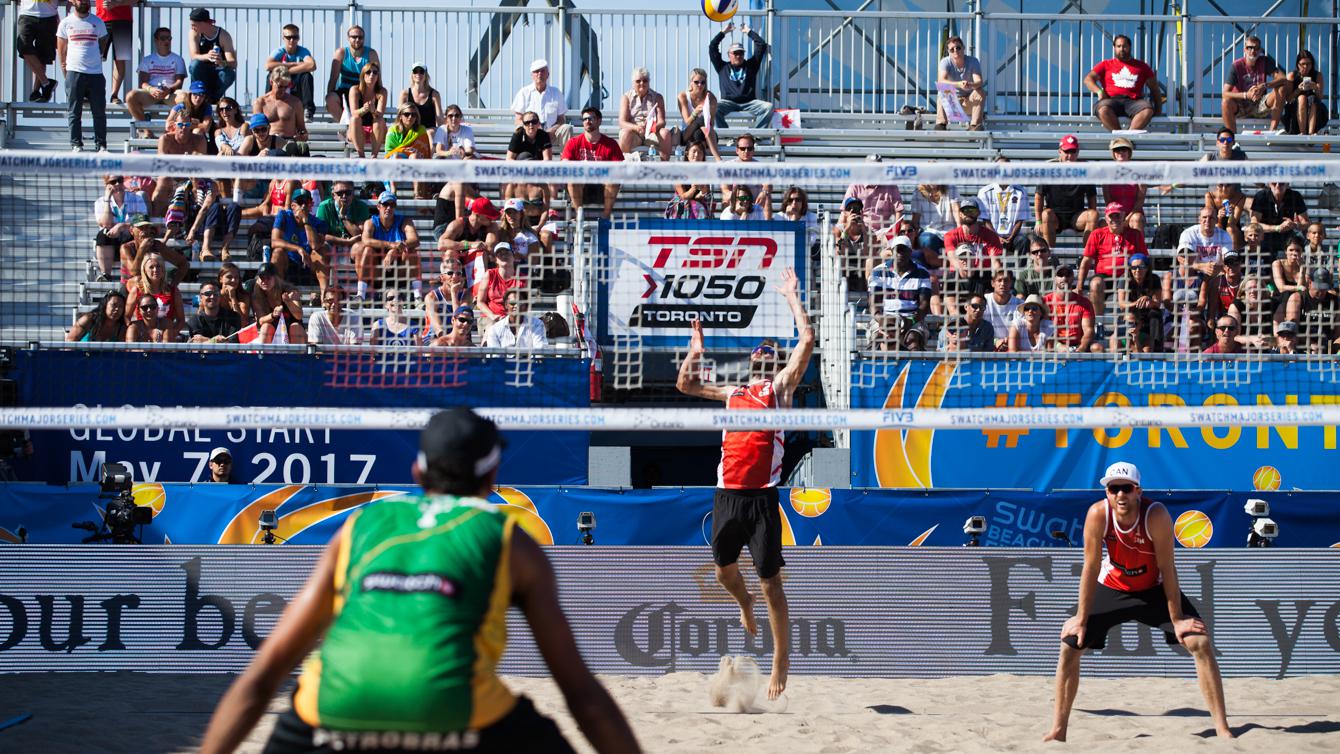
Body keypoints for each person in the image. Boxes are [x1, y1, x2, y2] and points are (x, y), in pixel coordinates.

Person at [201, 407, 640, 753]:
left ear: (417, 474)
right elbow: (581, 694)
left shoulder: (360, 526)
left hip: (330, 712)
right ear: (492, 478)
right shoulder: (512, 541)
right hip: (454, 712)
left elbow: (264, 674)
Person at [676, 267, 811, 701]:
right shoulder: (734, 391)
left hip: (761, 499)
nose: (763, 359)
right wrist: (696, 348)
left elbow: (806, 343)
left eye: (769, 355)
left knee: (771, 581)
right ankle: (743, 603)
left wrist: (792, 297)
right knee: (722, 571)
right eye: (759, 354)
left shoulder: (780, 389)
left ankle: (780, 659)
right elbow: (684, 383)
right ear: (751, 360)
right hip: (727, 495)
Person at [1043, 461, 1233, 742]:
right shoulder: (1098, 514)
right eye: (1113, 488)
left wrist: (1178, 618)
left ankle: (1222, 728)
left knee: (1200, 643)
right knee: (1070, 647)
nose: (1120, 494)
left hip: (1153, 589)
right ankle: (1058, 730)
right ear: (1107, 493)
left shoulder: (1155, 515)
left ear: (1138, 491)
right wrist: (1082, 618)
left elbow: (1168, 568)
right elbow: (1091, 567)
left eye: (1126, 488)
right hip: (1112, 588)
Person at [57, 0, 108, 153]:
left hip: (95, 73)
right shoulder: (66, 23)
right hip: (74, 72)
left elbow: (103, 41)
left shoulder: (97, 22)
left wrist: (97, 56)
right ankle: (76, 144)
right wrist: (65, 72)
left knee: (99, 112)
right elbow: (61, 50)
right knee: (74, 111)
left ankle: (101, 144)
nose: (83, 1)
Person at [1079, 203, 1147, 317]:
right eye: (1112, 216)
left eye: (1118, 216)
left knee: (1127, 281)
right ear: (1106, 218)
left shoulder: (1135, 234)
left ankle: (1128, 324)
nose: (1115, 219)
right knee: (1095, 284)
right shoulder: (1097, 234)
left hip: (1129, 276)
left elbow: (1144, 259)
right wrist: (1079, 286)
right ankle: (1098, 324)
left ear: (1124, 216)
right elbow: (1086, 261)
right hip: (1105, 276)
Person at [1084, 34, 1162, 131]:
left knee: (1147, 110)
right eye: (1118, 46)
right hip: (1111, 100)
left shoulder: (1142, 66)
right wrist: (1099, 91)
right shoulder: (1105, 64)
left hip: (1134, 102)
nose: (1121, 49)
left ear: (1130, 47)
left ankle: (1127, 137)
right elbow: (1088, 79)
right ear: (1114, 48)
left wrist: (1158, 110)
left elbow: (1154, 87)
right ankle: (1120, 137)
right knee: (1103, 109)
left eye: (1124, 46)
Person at [561, 107, 624, 219]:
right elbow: (565, 164)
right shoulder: (573, 142)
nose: (587, 121)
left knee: (613, 180)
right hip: (581, 188)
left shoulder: (611, 144)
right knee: (572, 180)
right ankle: (579, 216)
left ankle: (606, 217)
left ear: (599, 121)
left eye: (591, 118)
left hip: (602, 190)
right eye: (584, 119)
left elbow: (619, 169)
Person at [1036, 135, 1098, 246]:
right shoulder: (1049, 168)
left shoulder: (1085, 169)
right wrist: (1038, 221)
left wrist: (1092, 221)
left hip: (1077, 216)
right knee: (1046, 214)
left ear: (1078, 152)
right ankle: (1050, 256)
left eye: (1073, 151)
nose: (1070, 155)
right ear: (1060, 151)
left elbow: (1091, 197)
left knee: (1093, 215)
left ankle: (1086, 256)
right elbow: (1038, 195)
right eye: (1067, 151)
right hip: (1055, 217)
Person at [360, 191, 423, 298]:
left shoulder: (404, 221)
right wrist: (392, 245)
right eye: (385, 204)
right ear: (378, 206)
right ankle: (360, 295)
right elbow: (365, 240)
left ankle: (418, 297)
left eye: (392, 205)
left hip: (399, 272)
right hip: (378, 271)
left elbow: (415, 240)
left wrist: (394, 251)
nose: (389, 207)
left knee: (412, 252)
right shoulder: (370, 222)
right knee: (367, 251)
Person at [708, 23, 772, 128]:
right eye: (735, 53)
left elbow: (761, 44)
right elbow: (712, 47)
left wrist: (748, 31)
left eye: (741, 53)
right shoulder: (722, 67)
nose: (738, 56)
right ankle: (725, 135)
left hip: (750, 102)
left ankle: (757, 135)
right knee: (713, 107)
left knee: (768, 107)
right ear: (729, 54)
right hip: (728, 102)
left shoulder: (751, 65)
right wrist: (723, 32)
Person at [125, 27, 186, 135]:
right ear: (156, 40)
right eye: (163, 38)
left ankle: (169, 132)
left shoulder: (178, 59)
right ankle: (147, 131)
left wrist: (169, 90)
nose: (166, 41)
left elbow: (179, 81)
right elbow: (142, 83)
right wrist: (151, 89)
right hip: (151, 93)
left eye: (169, 38)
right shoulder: (147, 59)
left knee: (185, 98)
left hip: (170, 92)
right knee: (130, 96)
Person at [1222, 35, 1288, 133]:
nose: (1253, 51)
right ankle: (1232, 139)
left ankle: (1272, 132)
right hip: (1241, 105)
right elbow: (1225, 93)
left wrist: (1265, 85)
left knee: (1282, 88)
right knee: (1225, 103)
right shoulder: (1236, 66)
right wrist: (1246, 95)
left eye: (1256, 48)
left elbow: (1283, 77)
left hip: (1260, 104)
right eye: (1250, 48)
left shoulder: (1264, 61)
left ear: (1260, 50)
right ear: (1245, 49)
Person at [270, 188, 329, 290]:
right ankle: (277, 295)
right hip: (289, 264)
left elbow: (314, 245)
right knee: (277, 252)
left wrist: (306, 221)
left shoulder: (319, 222)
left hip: (309, 265)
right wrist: (298, 249)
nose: (303, 206)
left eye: (307, 203)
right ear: (293, 206)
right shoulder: (284, 215)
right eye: (300, 202)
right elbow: (274, 242)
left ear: (311, 205)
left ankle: (324, 295)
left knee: (321, 252)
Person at [93, 174, 147, 280]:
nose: (118, 184)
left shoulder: (136, 198)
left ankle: (132, 276)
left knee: (137, 234)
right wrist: (107, 200)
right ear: (106, 185)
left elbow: (143, 221)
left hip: (131, 243)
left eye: (120, 180)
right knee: (102, 235)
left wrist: (122, 226)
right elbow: (106, 224)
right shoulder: (100, 202)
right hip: (111, 245)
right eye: (113, 182)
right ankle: (106, 275)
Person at [512, 58, 572, 148]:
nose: (540, 74)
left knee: (567, 128)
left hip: (551, 133)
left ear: (548, 74)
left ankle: (566, 159)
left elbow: (561, 119)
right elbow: (518, 120)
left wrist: (553, 129)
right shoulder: (523, 92)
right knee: (519, 129)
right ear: (532, 75)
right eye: (536, 71)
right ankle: (520, 158)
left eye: (543, 71)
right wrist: (533, 129)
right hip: (531, 132)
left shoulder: (556, 92)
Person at [618, 67, 674, 161]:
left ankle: (664, 167)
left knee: (665, 133)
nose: (642, 83)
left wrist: (652, 127)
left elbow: (662, 121)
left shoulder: (657, 97)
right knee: (624, 133)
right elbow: (622, 122)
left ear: (649, 82)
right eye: (638, 81)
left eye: (645, 81)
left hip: (652, 132)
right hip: (634, 134)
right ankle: (625, 166)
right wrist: (636, 128)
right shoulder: (626, 97)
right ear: (633, 83)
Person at [325, 25, 378, 121]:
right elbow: (333, 79)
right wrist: (328, 102)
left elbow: (377, 77)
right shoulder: (341, 53)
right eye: (354, 37)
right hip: (345, 92)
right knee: (330, 99)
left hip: (363, 93)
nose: (357, 40)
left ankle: (355, 127)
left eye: (360, 37)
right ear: (348, 38)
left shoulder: (371, 54)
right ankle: (347, 127)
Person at [252, 66, 308, 155]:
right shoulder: (260, 102)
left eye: (286, 86)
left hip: (288, 143)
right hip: (267, 143)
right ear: (271, 82)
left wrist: (302, 135)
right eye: (280, 86)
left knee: (301, 148)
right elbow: (256, 129)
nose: (283, 90)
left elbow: (302, 129)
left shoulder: (295, 102)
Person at [977, 162, 1029, 257]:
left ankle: (1022, 271)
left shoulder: (1021, 191)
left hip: (1012, 237)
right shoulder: (984, 192)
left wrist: (1011, 237)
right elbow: (985, 220)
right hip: (991, 236)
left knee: (1023, 241)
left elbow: (1020, 219)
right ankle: (988, 272)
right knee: (980, 244)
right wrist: (996, 237)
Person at [266, 24, 317, 120]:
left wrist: (286, 71)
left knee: (307, 76)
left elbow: (312, 65)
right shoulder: (279, 51)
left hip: (296, 84)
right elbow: (268, 65)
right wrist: (292, 64)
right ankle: (268, 106)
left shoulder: (303, 51)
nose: (292, 40)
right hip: (282, 81)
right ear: (283, 38)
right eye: (288, 37)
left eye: (295, 37)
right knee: (270, 75)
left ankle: (308, 110)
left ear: (298, 38)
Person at [1044, 265, 1098, 352]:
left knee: (1097, 348)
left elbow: (1088, 330)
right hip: (1053, 344)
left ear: (1073, 278)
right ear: (1054, 278)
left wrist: (1082, 347)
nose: (1064, 278)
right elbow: (1043, 329)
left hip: (1078, 344)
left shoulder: (1084, 302)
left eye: (1067, 275)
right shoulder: (1045, 301)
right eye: (1060, 275)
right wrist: (1058, 346)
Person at [935, 36, 985, 130]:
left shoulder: (973, 61)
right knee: (942, 90)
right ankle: (941, 125)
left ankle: (974, 126)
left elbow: (979, 81)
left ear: (963, 48)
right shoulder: (945, 62)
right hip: (953, 103)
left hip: (969, 103)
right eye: (952, 49)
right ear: (949, 52)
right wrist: (959, 84)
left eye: (958, 47)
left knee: (980, 92)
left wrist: (970, 84)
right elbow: (941, 81)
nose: (955, 51)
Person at [249, 262, 306, 343]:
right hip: (272, 328)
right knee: (265, 327)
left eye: (268, 278)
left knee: (295, 328)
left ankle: (297, 356)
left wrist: (288, 302)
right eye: (262, 277)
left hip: (291, 327)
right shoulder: (257, 294)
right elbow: (260, 320)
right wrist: (273, 315)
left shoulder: (290, 291)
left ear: (276, 278)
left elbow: (299, 316)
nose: (265, 281)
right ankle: (263, 355)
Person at [187, 8, 236, 103]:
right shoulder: (193, 33)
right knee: (194, 65)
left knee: (229, 74)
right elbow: (194, 56)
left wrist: (222, 62)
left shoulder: (223, 36)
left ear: (203, 23)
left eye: (194, 25)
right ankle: (199, 94)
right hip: (202, 72)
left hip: (218, 73)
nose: (192, 27)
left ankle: (212, 99)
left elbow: (233, 63)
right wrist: (207, 56)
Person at [1118, 252, 1164, 352]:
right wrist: (1137, 302)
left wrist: (1149, 300)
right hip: (1131, 311)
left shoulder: (1154, 279)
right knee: (1128, 314)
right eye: (1134, 267)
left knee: (1155, 313)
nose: (1137, 270)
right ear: (1130, 269)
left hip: (1147, 312)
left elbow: (1158, 303)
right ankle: (1127, 345)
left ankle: (1156, 345)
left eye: (1141, 266)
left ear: (1147, 268)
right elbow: (1122, 304)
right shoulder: (1124, 279)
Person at [17, 0, 60, 103]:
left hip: (49, 15)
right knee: (23, 46)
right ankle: (46, 83)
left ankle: (36, 91)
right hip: (27, 13)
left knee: (43, 56)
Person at [1251, 181, 1309, 257]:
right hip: (1265, 234)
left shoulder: (1295, 196)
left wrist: (1295, 225)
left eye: (1281, 183)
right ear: (1269, 184)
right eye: (1274, 183)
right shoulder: (1261, 196)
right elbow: (1254, 224)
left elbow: (1306, 223)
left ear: (1287, 184)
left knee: (1299, 241)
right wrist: (1277, 228)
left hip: (1288, 234)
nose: (1277, 186)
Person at [721, 133, 771, 219]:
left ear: (753, 150)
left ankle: (766, 227)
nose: (746, 151)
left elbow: (768, 185)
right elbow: (725, 189)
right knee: (725, 198)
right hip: (736, 205)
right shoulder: (728, 166)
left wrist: (764, 192)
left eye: (749, 148)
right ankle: (726, 225)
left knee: (767, 196)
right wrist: (738, 199)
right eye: (743, 148)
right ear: (737, 150)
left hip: (754, 206)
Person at [677, 67, 723, 160]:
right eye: (696, 82)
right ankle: (718, 158)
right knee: (701, 120)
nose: (699, 85)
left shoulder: (711, 98)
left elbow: (711, 124)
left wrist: (708, 110)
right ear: (691, 82)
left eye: (703, 82)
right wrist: (695, 113)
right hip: (687, 134)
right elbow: (687, 122)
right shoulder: (683, 96)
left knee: (698, 133)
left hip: (704, 135)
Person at [1104, 137, 1146, 234]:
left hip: (1133, 214)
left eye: (1124, 149)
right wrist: (1118, 217)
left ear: (1129, 152)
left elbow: (1140, 200)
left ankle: (1139, 249)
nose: (1120, 152)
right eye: (1117, 150)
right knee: (1102, 223)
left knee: (1137, 219)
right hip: (1114, 213)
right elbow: (1108, 201)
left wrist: (1127, 218)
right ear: (1113, 153)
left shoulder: (1139, 172)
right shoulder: (1107, 173)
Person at [483, 289, 549, 350]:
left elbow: (540, 352)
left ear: (526, 306)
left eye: (520, 303)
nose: (516, 306)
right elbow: (495, 358)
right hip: (503, 362)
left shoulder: (537, 324)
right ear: (506, 305)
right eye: (513, 303)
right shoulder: (495, 329)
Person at [346, 61, 387, 158]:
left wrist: (373, 111)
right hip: (358, 130)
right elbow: (354, 112)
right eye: (368, 72)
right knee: (355, 119)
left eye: (375, 72)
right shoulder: (355, 90)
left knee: (379, 120)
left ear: (378, 76)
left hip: (376, 130)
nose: (372, 75)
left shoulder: (382, 91)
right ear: (363, 75)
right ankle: (361, 156)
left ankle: (374, 156)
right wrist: (364, 109)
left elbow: (380, 114)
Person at [95, 0, 133, 104]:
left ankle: (114, 95)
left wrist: (117, 3)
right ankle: (93, 92)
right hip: (101, 21)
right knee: (95, 58)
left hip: (123, 20)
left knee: (120, 59)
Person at [1285, 50, 1328, 136]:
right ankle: (1302, 132)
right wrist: (1298, 89)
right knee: (1302, 98)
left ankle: (1311, 133)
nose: (1306, 67)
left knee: (1312, 98)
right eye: (1303, 64)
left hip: (1315, 112)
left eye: (1309, 64)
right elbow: (1288, 99)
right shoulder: (1292, 76)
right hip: (1295, 114)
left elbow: (1320, 97)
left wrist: (1315, 87)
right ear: (1298, 64)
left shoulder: (1317, 75)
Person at [400, 61, 443, 128]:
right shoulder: (405, 94)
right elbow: (400, 115)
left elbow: (439, 118)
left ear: (426, 75)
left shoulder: (434, 95)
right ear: (412, 74)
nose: (418, 74)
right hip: (411, 131)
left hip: (428, 132)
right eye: (415, 71)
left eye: (421, 71)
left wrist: (442, 134)